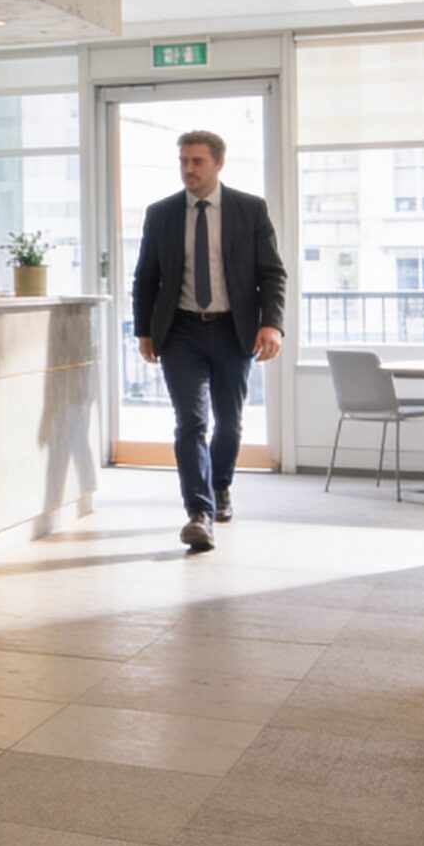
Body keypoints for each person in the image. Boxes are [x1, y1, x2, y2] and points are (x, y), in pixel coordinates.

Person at [131, 129, 286, 552]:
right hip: (180, 331)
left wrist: (271, 324)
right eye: (183, 161)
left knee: (229, 423)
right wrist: (143, 329)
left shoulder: (249, 210)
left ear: (218, 163)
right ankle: (198, 512)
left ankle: (220, 485)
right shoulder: (161, 213)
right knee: (191, 422)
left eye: (197, 161)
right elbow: (145, 276)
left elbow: (272, 273)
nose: (188, 169)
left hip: (233, 330)